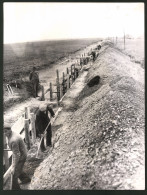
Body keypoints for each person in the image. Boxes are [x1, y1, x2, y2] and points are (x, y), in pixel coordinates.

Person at [3, 123, 31, 190]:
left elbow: (16, 155)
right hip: (21, 153)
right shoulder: (11, 134)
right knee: (18, 168)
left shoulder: (13, 140)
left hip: (21, 157)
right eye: (3, 132)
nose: (4, 133)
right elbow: (14, 150)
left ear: (10, 130)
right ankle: (26, 179)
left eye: (5, 131)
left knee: (14, 175)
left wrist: (13, 166)